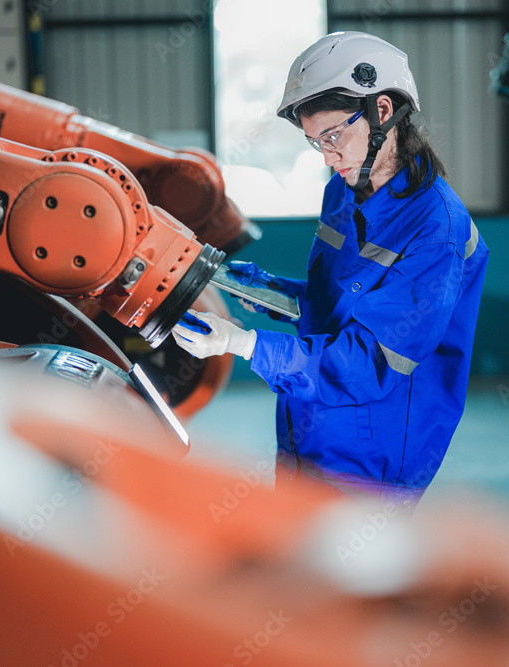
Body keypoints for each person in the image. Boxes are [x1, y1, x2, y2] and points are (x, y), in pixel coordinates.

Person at [172, 31, 488, 512]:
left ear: (383, 111)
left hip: (373, 453)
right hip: (311, 422)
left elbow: (372, 363)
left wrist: (242, 344)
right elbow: (334, 301)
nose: (326, 156)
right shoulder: (344, 190)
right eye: (314, 141)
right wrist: (266, 289)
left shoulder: (436, 231)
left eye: (334, 135)